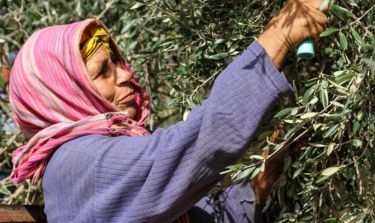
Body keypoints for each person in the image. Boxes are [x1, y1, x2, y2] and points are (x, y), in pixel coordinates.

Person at [7, 0, 327, 222]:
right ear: (63, 93)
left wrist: (265, 174)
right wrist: (280, 35)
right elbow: (192, 146)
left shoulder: (111, 153)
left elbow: (209, 217)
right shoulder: (74, 163)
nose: (124, 75)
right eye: (103, 71)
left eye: (117, 61)